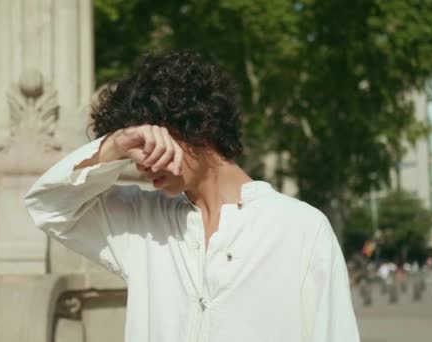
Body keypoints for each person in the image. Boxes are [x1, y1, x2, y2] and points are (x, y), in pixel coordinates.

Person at [24, 51, 360, 342]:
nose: (141, 163)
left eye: (151, 142)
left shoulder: (301, 229)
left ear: (198, 125)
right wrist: (114, 146)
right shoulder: (143, 223)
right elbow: (47, 207)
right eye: (136, 151)